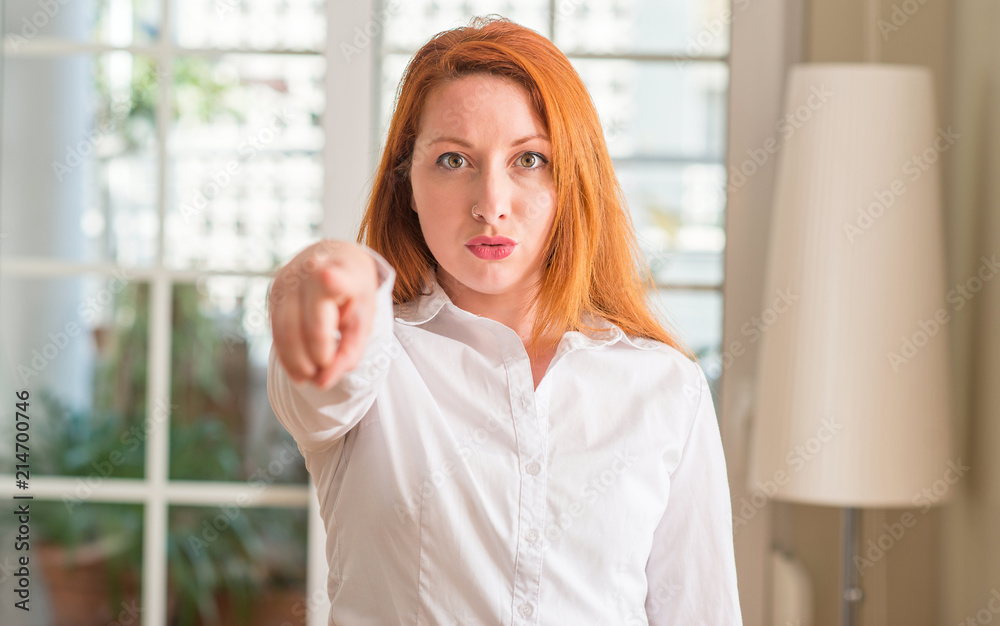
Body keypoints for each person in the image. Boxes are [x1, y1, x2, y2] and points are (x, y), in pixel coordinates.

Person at [266, 15, 743, 625]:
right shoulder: (376, 363)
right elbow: (320, 375)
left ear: (573, 180)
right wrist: (323, 277)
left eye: (530, 160)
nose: (491, 204)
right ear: (406, 184)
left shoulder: (666, 388)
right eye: (452, 160)